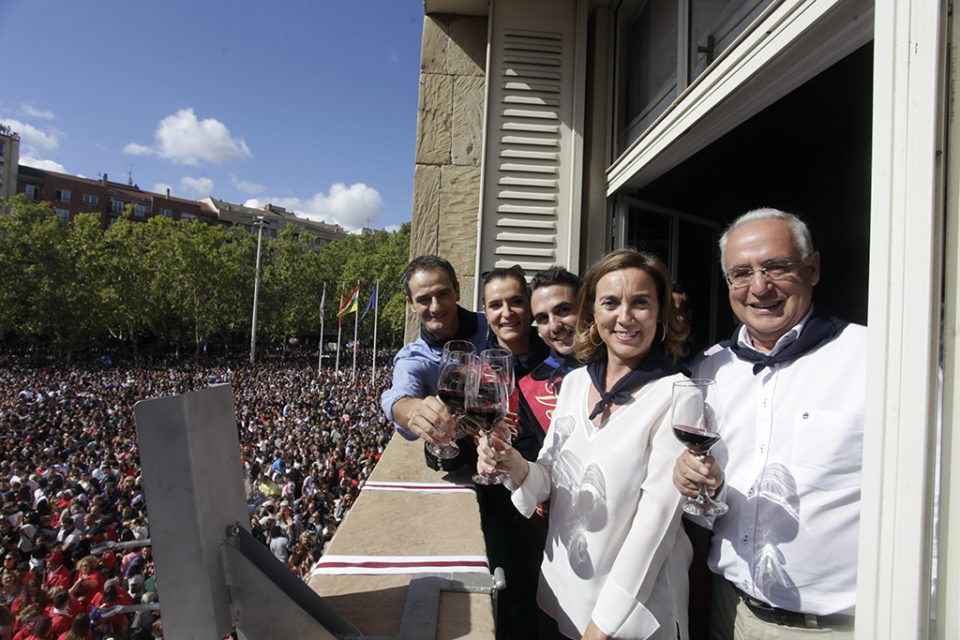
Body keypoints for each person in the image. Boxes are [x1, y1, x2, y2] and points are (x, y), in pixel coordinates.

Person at [479, 248, 693, 640]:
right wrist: (511, 463)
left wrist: (603, 627)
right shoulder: (577, 383)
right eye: (610, 302)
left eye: (640, 302)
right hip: (557, 600)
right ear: (594, 312)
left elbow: (655, 527)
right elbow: (548, 480)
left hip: (626, 619)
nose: (624, 316)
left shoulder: (678, 395)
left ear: (661, 313)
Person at [673, 208, 865, 639]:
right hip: (732, 610)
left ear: (812, 268)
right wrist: (700, 488)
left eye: (775, 267)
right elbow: (709, 507)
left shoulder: (876, 358)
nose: (759, 287)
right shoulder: (709, 370)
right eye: (740, 274)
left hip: (839, 626)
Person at [380, 255, 489, 455]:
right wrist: (412, 409)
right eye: (423, 299)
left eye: (442, 294)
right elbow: (398, 397)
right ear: (411, 304)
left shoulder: (495, 327)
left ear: (457, 290)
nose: (435, 306)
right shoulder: (413, 357)